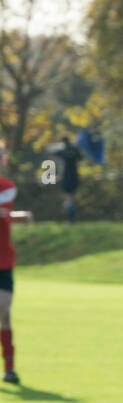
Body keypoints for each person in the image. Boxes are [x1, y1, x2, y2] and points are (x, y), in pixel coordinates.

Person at [0, 141, 35, 386]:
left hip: (3, 259)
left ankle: (9, 368)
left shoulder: (8, 188)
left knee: (3, 312)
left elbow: (4, 212)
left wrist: (16, 216)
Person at [48, 135, 82, 224]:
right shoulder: (74, 150)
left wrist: (59, 146)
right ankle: (72, 218)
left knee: (68, 199)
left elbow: (51, 151)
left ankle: (70, 219)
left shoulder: (62, 151)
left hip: (66, 177)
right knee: (72, 198)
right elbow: (80, 158)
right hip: (74, 176)